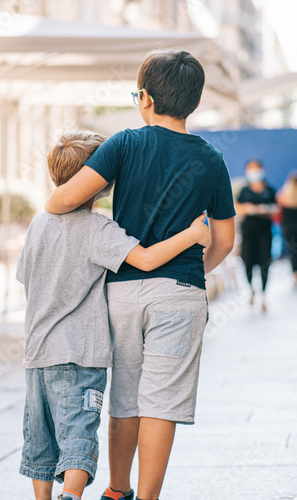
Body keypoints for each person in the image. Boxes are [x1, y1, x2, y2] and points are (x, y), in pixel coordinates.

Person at [46, 50, 236, 500]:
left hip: (124, 293)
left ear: (145, 98)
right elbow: (224, 241)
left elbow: (61, 201)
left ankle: (116, 490)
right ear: (194, 100)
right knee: (162, 402)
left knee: (125, 399)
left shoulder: (124, 144)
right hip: (180, 294)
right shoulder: (212, 160)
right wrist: (190, 276)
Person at [17, 130, 211, 500]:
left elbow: (26, 279)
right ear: (98, 181)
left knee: (40, 437)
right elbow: (147, 259)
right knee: (78, 431)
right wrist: (192, 234)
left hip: (36, 354)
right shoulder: (97, 229)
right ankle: (72, 496)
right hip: (80, 355)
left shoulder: (38, 224)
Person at [235, 160, 277, 311]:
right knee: (247, 262)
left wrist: (265, 209)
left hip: (265, 232)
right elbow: (237, 207)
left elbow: (276, 209)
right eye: (251, 169)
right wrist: (249, 208)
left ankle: (263, 295)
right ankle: (251, 289)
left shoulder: (269, 190)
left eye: (256, 169)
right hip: (248, 232)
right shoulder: (244, 191)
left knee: (265, 262)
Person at [276, 171, 297, 286]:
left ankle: (295, 275)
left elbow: (278, 215)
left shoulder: (283, 195)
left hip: (288, 229)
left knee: (293, 253)